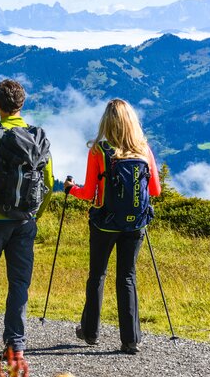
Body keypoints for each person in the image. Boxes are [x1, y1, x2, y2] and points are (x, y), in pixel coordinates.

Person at [64, 98, 161, 355]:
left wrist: (69, 188)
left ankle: (90, 332)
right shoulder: (144, 150)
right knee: (127, 277)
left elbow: (88, 193)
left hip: (104, 223)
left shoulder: (99, 150)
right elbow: (156, 190)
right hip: (135, 225)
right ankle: (131, 340)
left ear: (106, 122)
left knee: (97, 275)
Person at [0, 79, 54, 359]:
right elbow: (49, 183)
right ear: (22, 103)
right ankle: (15, 344)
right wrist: (34, 215)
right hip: (25, 222)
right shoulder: (38, 138)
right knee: (19, 282)